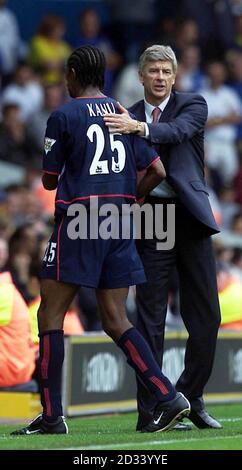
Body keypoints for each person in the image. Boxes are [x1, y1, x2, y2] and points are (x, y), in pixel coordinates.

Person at [11, 46, 190, 435]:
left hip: (79, 221)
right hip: (120, 222)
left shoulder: (63, 115)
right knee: (116, 318)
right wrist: (131, 196)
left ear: (74, 73)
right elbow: (157, 169)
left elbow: (48, 180)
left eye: (66, 74)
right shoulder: (123, 115)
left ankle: (53, 416)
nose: (64, 80)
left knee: (50, 316)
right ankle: (167, 395)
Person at [104, 44, 222, 431]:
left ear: (174, 77)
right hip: (151, 219)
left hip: (189, 218)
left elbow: (178, 132)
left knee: (207, 317)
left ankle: (190, 397)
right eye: (152, 71)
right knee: (150, 318)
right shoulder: (125, 116)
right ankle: (152, 408)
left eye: (165, 71)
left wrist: (140, 129)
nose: (158, 77)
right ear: (140, 77)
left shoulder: (193, 104)